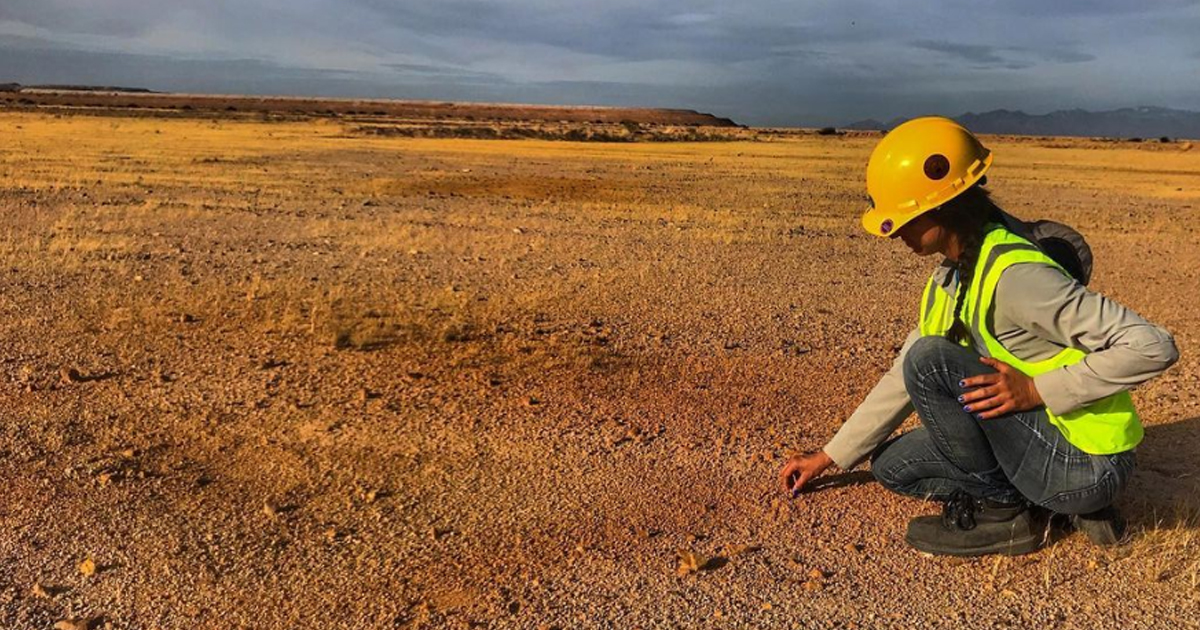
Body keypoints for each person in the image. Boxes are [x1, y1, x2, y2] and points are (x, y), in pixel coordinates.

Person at [778, 116, 1179, 556]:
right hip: (1041, 445)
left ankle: (1007, 515)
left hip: (1088, 463)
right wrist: (831, 455)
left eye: (905, 218)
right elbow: (900, 379)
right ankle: (1051, 505)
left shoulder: (1016, 276)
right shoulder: (953, 277)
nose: (897, 233)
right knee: (893, 466)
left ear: (941, 207)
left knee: (931, 360)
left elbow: (1151, 345)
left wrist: (1036, 390)